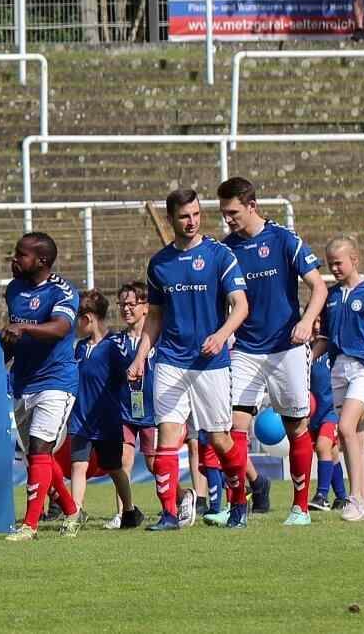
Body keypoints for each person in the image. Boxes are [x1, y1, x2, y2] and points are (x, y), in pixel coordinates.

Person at [128, 188, 251, 531]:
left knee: (219, 439)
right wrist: (140, 357)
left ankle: (239, 502)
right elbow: (154, 317)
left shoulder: (219, 255)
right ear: (171, 219)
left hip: (211, 363)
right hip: (170, 360)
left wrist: (221, 335)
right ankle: (169, 514)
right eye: (184, 216)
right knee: (167, 436)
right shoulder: (159, 264)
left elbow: (241, 305)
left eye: (196, 214)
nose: (192, 221)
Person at [216, 177, 328, 526]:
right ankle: (238, 506)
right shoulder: (226, 249)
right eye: (223, 213)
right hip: (246, 350)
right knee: (233, 426)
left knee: (296, 426)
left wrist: (307, 321)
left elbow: (319, 287)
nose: (228, 219)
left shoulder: (283, 239)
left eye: (233, 212)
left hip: (286, 348)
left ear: (252, 205)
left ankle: (300, 508)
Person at [0, 233, 81, 541]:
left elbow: (60, 328)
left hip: (56, 381)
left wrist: (23, 327)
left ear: (42, 260)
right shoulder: (14, 289)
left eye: (21, 254)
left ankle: (29, 525)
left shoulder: (63, 291)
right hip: (23, 381)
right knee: (37, 454)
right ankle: (72, 511)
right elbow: (14, 336)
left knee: (41, 448)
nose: (15, 259)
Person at [314, 237, 364, 522]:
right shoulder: (331, 296)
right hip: (337, 368)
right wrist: (307, 359)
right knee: (353, 437)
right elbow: (324, 338)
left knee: (345, 427)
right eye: (330, 263)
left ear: (354, 260)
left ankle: (354, 497)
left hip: (363, 368)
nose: (334, 268)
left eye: (339, 263)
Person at [69, 290, 140, 531]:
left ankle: (128, 510)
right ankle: (74, 515)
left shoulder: (115, 345)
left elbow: (130, 373)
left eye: (77, 320)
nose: (75, 326)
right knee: (78, 465)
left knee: (114, 468)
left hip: (106, 421)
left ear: (88, 319)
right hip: (80, 420)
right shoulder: (80, 348)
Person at [113, 281, 155, 529]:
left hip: (154, 413)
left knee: (154, 464)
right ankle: (123, 513)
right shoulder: (117, 341)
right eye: (122, 304)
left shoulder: (158, 339)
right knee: (123, 461)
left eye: (131, 304)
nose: (126, 309)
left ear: (146, 307)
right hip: (124, 412)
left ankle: (180, 500)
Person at [306, 327, 350, 512]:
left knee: (322, 447)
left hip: (331, 411)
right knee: (331, 452)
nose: (316, 326)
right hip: (312, 414)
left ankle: (321, 496)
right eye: (313, 322)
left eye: (320, 322)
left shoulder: (334, 349)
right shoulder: (304, 351)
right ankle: (342, 497)